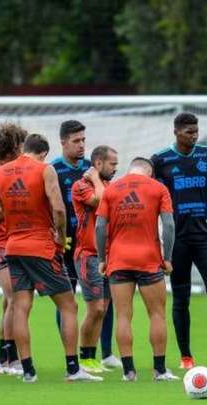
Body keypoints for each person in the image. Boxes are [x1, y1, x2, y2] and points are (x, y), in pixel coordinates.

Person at [0, 133, 101, 383]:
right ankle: (73, 369)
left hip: (13, 246)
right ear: (42, 153)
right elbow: (59, 208)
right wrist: (60, 237)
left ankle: (28, 371)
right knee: (68, 305)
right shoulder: (45, 169)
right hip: (40, 246)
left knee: (20, 307)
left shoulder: (1, 172)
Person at [151, 113, 207, 370]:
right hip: (177, 239)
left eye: (196, 131)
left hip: (205, 236)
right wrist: (158, 227)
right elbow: (149, 195)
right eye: (189, 132)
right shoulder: (160, 160)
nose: (194, 136)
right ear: (176, 132)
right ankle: (186, 357)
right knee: (181, 298)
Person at [96, 157, 178, 381]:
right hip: (148, 259)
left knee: (123, 315)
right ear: (149, 172)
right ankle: (160, 370)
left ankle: (128, 371)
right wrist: (167, 258)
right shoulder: (158, 188)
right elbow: (169, 224)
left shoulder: (112, 190)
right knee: (157, 314)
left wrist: (102, 258)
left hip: (119, 259)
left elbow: (100, 226)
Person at [52, 120, 117, 368]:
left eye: (83, 140)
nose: (81, 145)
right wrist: (55, 235)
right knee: (67, 300)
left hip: (94, 244)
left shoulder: (93, 170)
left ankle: (106, 351)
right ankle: (71, 353)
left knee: (102, 302)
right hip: (65, 246)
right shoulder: (53, 170)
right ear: (63, 142)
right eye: (76, 141)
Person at [0, 122, 27, 376]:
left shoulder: (15, 171)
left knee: (8, 302)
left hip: (16, 242)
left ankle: (3, 358)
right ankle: (11, 360)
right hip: (1, 244)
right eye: (21, 145)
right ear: (13, 147)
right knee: (15, 300)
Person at [72, 145, 120, 373]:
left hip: (110, 256)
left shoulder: (111, 185)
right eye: (112, 163)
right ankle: (85, 356)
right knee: (95, 308)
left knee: (104, 308)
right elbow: (102, 201)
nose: (116, 168)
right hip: (88, 254)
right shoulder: (81, 185)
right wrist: (95, 179)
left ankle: (93, 357)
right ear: (98, 164)